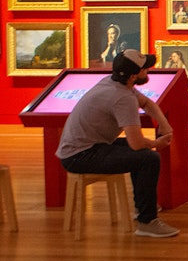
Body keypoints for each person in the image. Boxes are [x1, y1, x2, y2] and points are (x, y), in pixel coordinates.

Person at [55, 49, 179, 238]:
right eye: (144, 69)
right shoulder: (123, 98)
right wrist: (157, 143)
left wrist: (164, 123)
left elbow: (147, 104)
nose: (148, 71)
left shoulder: (115, 84)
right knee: (149, 158)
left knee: (141, 155)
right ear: (133, 75)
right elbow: (137, 143)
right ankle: (147, 221)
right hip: (80, 156)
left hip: (85, 148)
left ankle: (143, 208)